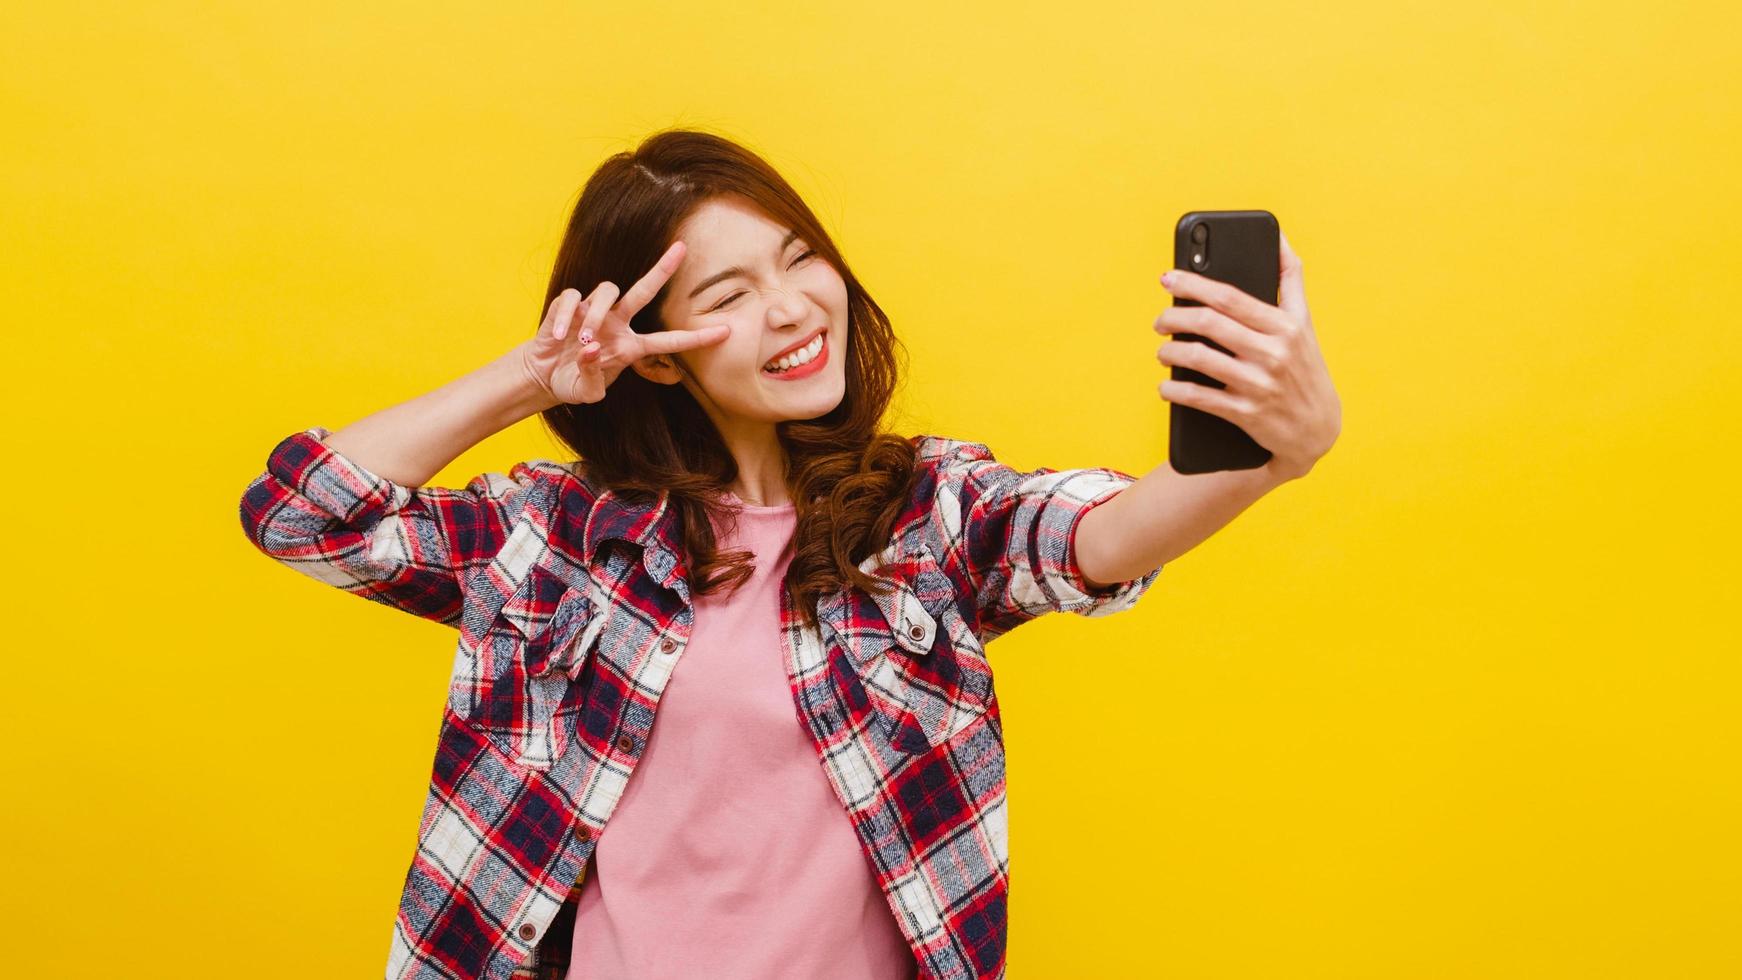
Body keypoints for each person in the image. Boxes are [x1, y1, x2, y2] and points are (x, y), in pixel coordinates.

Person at [237, 129, 1340, 980]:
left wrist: (1266, 459)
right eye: (727, 295)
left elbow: (1095, 537)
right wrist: (534, 375)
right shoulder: (555, 542)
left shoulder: (922, 517)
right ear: (657, 353)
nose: (789, 307)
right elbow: (303, 514)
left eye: (799, 257)